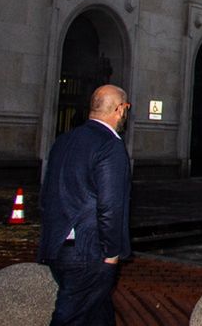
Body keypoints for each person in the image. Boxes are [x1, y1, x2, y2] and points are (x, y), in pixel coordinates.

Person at [38, 84, 132, 326]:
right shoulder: (110, 145)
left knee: (98, 314)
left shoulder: (64, 140)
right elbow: (110, 205)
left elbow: (46, 195)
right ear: (120, 109)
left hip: (57, 247)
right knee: (70, 317)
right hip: (89, 252)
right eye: (127, 108)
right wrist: (112, 252)